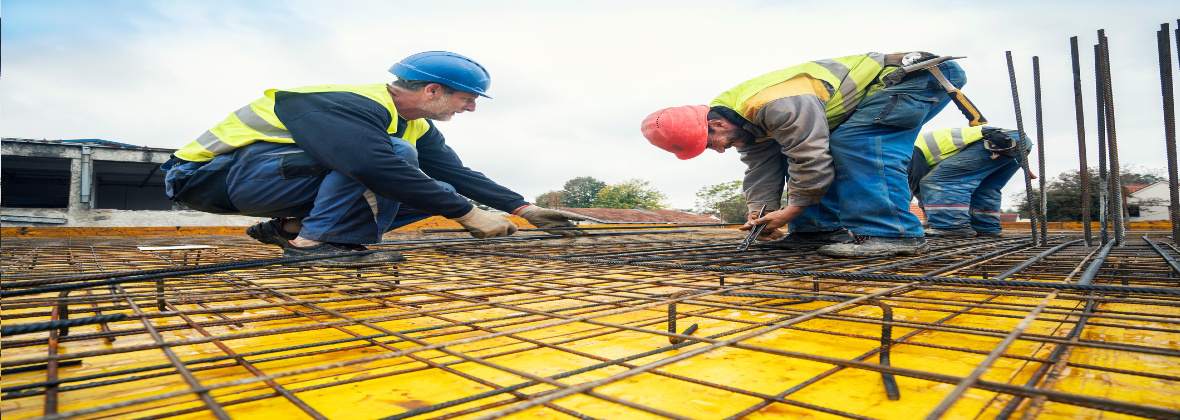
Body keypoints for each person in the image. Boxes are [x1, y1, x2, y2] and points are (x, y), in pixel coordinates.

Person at [162, 51, 583, 264]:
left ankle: (289, 228)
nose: (470, 108)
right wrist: (468, 215)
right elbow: (369, 165)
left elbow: (456, 174)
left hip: (266, 183)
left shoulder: (416, 124)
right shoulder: (344, 104)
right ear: (432, 91)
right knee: (394, 160)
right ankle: (313, 245)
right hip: (205, 179)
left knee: (435, 183)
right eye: (466, 99)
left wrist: (525, 208)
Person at [641, 52, 968, 257]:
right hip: (895, 86)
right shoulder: (746, 121)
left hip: (915, 78)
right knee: (818, 150)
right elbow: (761, 168)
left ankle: (892, 233)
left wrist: (791, 210)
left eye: (712, 143)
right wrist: (760, 214)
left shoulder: (776, 105)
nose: (719, 149)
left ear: (716, 124)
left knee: (856, 144)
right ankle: (817, 231)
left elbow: (810, 158)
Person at [909, 126, 1032, 238]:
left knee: (937, 182)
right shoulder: (913, 145)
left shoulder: (909, 150)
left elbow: (917, 185)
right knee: (984, 188)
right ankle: (985, 227)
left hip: (997, 141)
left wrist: (928, 218)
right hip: (1018, 142)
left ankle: (951, 227)